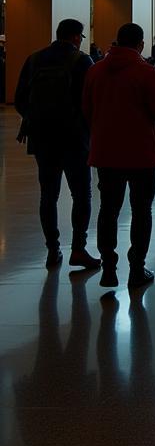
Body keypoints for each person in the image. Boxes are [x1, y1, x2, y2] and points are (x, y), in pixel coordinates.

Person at [83, 23, 155, 288]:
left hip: (106, 152)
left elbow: (86, 110)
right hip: (142, 153)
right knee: (141, 210)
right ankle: (137, 269)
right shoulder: (146, 72)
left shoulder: (95, 70)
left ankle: (108, 267)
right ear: (140, 44)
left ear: (115, 42)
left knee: (108, 210)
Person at [14, 18, 100, 270]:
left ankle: (52, 250)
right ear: (76, 37)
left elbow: (20, 99)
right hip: (75, 139)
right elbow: (91, 100)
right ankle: (78, 249)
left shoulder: (34, 60)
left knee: (48, 195)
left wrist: (35, 119)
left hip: (43, 140)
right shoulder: (82, 61)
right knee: (81, 195)